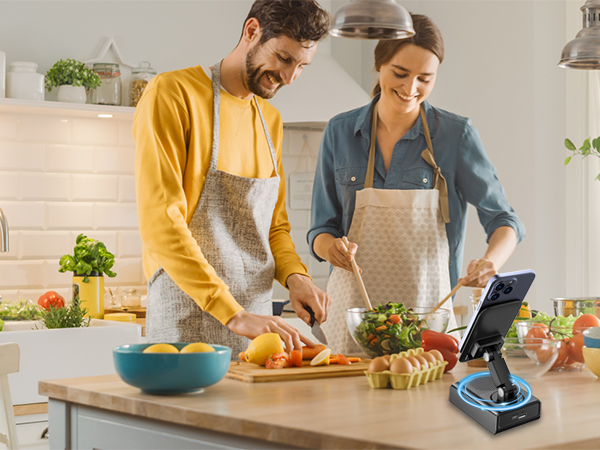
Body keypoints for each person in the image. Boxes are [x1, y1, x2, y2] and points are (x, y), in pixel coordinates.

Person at [308, 14, 525, 354]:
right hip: (351, 318)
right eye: (400, 73)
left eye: (425, 78)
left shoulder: (456, 136)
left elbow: (505, 221)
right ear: (379, 65)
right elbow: (322, 228)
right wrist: (329, 248)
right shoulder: (339, 132)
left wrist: (490, 263)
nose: (411, 89)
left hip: (430, 319)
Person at [133, 0, 332, 358]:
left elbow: (274, 228)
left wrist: (296, 277)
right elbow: (162, 222)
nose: (290, 78)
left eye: (302, 66)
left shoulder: (270, 120)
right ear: (251, 31)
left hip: (259, 330)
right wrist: (232, 314)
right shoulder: (173, 94)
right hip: (185, 324)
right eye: (284, 59)